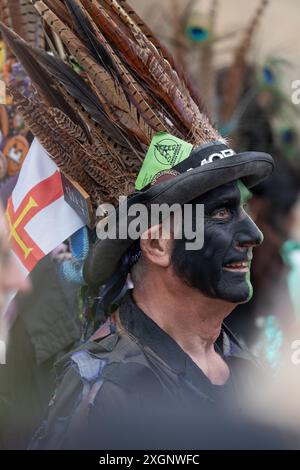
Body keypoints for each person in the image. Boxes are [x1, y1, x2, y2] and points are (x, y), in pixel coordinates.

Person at [2, 1, 275, 450]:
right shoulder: (106, 393)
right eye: (222, 214)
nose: (253, 235)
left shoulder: (242, 364)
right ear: (157, 243)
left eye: (242, 210)